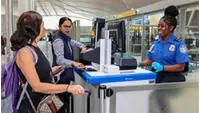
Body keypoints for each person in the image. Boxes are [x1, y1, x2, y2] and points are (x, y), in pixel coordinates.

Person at [10, 11, 85, 113]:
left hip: (42, 104)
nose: (44, 28)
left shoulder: (34, 48)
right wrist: (68, 88)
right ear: (34, 28)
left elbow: (36, 71)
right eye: (42, 25)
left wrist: (51, 72)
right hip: (32, 107)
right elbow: (37, 86)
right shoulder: (25, 52)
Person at [138, 5, 189, 83]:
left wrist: (163, 67)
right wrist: (138, 64)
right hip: (157, 74)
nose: (159, 28)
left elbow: (181, 67)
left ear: (171, 28)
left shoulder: (178, 44)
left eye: (162, 26)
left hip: (173, 77)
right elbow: (151, 60)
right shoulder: (156, 42)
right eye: (159, 26)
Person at [52, 17, 87, 113]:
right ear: (60, 27)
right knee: (61, 104)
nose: (68, 29)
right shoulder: (59, 40)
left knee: (65, 102)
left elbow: (77, 44)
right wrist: (73, 63)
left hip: (65, 75)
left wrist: (82, 47)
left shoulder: (66, 39)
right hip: (60, 76)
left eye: (69, 27)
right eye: (65, 26)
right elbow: (59, 60)